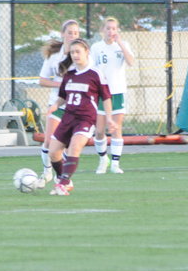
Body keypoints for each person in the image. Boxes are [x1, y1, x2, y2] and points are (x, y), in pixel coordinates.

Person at [47, 38, 116, 196]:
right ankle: (64, 179)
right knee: (53, 152)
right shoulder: (69, 75)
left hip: (85, 119)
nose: (75, 55)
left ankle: (63, 184)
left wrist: (109, 118)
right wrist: (55, 105)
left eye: (78, 51)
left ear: (87, 52)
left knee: (74, 147)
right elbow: (63, 96)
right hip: (68, 118)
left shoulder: (95, 73)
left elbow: (106, 97)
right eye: (72, 52)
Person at [91, 17, 135, 174]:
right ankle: (103, 159)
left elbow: (131, 62)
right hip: (101, 93)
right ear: (102, 30)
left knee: (116, 128)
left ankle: (115, 163)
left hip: (117, 92)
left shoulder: (123, 45)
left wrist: (121, 44)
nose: (111, 31)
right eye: (108, 28)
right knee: (99, 131)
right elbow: (91, 69)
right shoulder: (96, 47)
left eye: (114, 28)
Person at [38, 19, 80, 184]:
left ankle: (61, 177)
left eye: (75, 33)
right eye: (69, 32)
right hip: (56, 103)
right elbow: (42, 80)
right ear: (63, 34)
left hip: (75, 106)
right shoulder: (55, 56)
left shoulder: (81, 55)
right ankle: (47, 172)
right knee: (49, 141)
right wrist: (60, 85)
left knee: (67, 145)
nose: (72, 36)